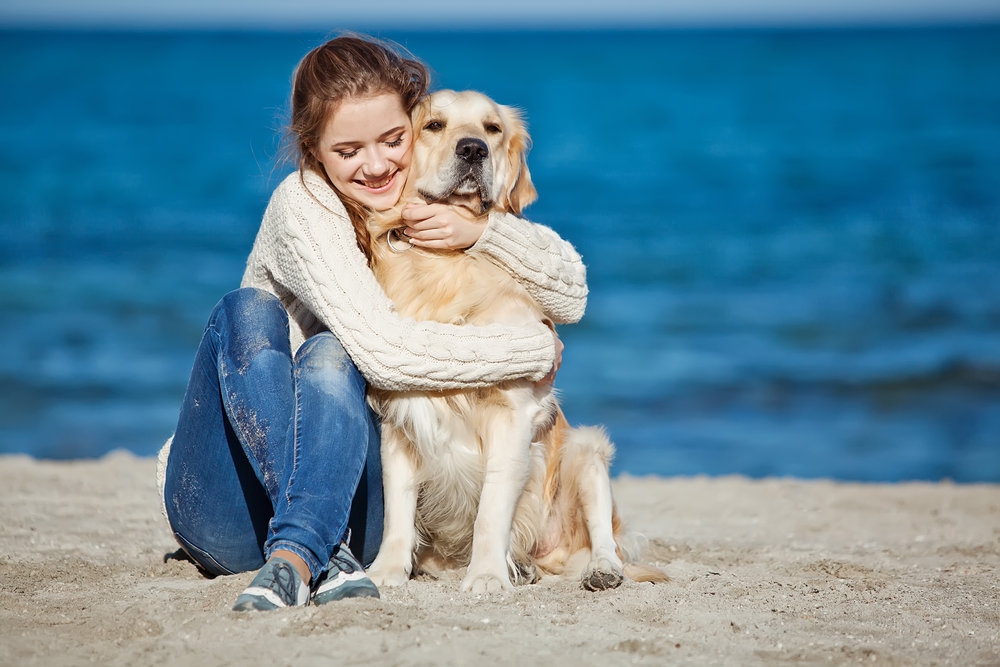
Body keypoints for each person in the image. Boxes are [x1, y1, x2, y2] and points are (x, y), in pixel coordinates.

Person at [156, 33, 588, 612]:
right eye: (349, 150)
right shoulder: (303, 209)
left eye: (393, 140)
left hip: (350, 515)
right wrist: (530, 350)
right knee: (250, 312)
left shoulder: (419, 217)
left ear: (413, 134)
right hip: (231, 511)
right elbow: (384, 352)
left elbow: (573, 291)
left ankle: (315, 551)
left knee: (332, 357)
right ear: (313, 149)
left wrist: (487, 231)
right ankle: (306, 549)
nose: (378, 164)